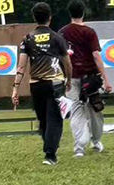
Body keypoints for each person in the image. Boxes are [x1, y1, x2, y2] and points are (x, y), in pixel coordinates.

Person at [12, 2, 72, 166]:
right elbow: (67, 62)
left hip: (36, 85)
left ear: (34, 18)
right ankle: (50, 154)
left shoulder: (27, 39)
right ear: (50, 18)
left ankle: (49, 148)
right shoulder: (58, 38)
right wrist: (68, 79)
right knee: (54, 118)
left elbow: (21, 66)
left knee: (43, 119)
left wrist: (15, 89)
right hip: (55, 83)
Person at [60, 0, 112, 157]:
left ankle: (79, 148)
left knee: (76, 111)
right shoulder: (89, 32)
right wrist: (106, 79)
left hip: (72, 78)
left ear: (70, 13)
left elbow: (61, 57)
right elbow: (96, 55)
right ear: (83, 12)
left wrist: (64, 78)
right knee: (95, 109)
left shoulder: (62, 32)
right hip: (90, 78)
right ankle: (96, 141)